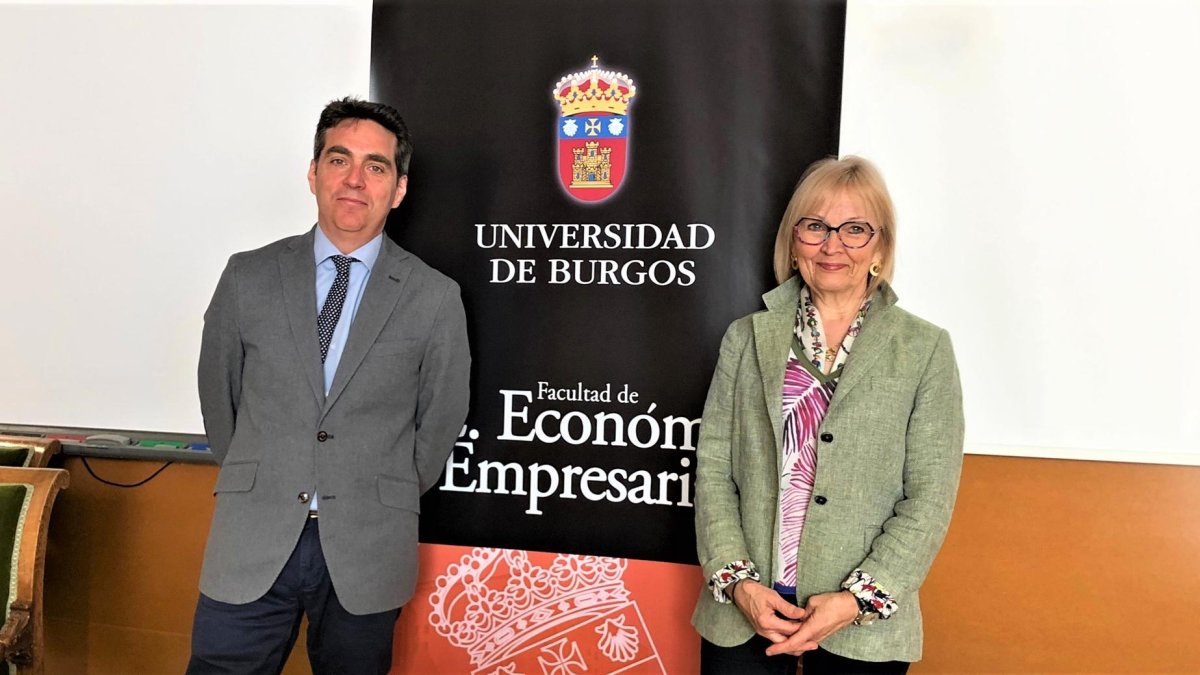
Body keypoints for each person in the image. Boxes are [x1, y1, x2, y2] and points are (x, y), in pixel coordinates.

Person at [188, 97, 470, 674]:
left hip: (368, 545)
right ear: (314, 173)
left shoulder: (434, 297)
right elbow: (220, 398)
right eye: (340, 160)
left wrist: (376, 490)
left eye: (377, 166)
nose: (355, 180)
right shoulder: (248, 276)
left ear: (398, 189)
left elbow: (439, 419)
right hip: (253, 534)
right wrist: (260, 470)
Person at [692, 156, 963, 674]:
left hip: (861, 626)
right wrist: (739, 584)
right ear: (794, 243)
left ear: (880, 246)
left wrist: (858, 599)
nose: (832, 245)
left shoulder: (924, 349)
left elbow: (930, 496)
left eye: (855, 229)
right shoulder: (746, 337)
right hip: (743, 612)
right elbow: (713, 471)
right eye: (815, 226)